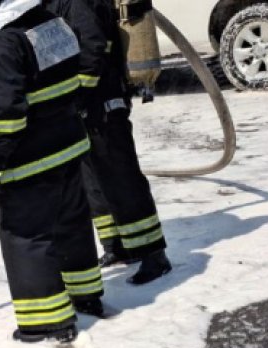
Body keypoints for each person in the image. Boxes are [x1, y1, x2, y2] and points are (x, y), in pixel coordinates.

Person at [0, 0, 107, 342]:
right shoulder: (53, 24)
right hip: (68, 147)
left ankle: (47, 321)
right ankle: (86, 296)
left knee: (26, 236)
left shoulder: (3, 44)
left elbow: (6, 116)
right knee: (72, 225)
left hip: (29, 160)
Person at [44, 0, 173, 283]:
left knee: (121, 179)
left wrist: (80, 89)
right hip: (81, 108)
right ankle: (116, 245)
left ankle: (153, 254)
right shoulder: (50, 4)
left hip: (103, 101)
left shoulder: (73, 3)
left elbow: (94, 44)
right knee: (93, 181)